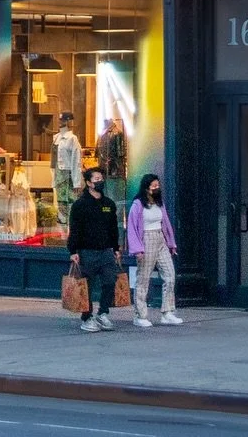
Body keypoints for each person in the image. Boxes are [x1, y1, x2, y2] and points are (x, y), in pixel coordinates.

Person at [67, 167, 121, 332]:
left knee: (110, 281)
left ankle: (103, 313)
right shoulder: (80, 205)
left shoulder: (109, 204)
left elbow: (113, 228)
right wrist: (73, 251)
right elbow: (75, 228)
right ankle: (87, 317)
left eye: (101, 178)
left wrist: (116, 248)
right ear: (89, 183)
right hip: (87, 251)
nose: (100, 181)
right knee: (86, 286)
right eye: (96, 179)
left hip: (106, 251)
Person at [126, 173, 181, 327]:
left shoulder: (159, 203)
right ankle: (140, 315)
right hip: (146, 239)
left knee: (170, 275)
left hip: (160, 238)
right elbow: (132, 228)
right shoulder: (137, 205)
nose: (157, 188)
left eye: (158, 185)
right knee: (143, 278)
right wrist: (137, 249)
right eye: (154, 186)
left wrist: (171, 243)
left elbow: (166, 223)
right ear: (146, 187)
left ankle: (167, 311)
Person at [52, 112, 83, 225]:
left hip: (68, 175)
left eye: (64, 120)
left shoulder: (72, 139)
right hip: (58, 175)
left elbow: (76, 161)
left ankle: (72, 230)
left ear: (70, 122)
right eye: (60, 120)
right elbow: (54, 162)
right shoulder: (56, 138)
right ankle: (62, 231)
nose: (61, 122)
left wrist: (76, 182)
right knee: (60, 203)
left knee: (71, 203)